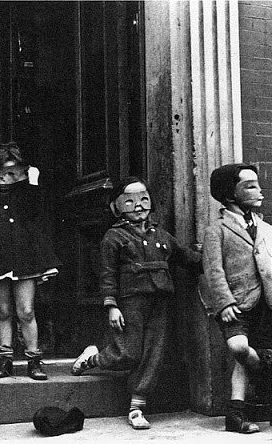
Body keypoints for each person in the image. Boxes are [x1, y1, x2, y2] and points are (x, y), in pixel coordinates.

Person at [71, 176, 202, 430]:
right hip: (131, 302)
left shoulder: (161, 236)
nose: (138, 206)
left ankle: (137, 407)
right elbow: (107, 274)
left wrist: (214, 259)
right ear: (117, 207)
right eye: (129, 201)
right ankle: (93, 359)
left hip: (160, 301)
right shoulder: (114, 237)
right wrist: (112, 306)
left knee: (153, 353)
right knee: (128, 353)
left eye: (143, 199)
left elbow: (186, 257)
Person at [202, 163, 272, 433]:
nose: (259, 190)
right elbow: (213, 270)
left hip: (263, 304)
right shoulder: (216, 230)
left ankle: (235, 415)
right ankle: (263, 376)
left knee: (248, 358)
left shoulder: (263, 227)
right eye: (250, 186)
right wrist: (224, 303)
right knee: (240, 349)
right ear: (230, 195)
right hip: (234, 304)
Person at [0, 143, 61, 380]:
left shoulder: (25, 192)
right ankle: (5, 359)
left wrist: (33, 182)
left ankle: (34, 360)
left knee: (26, 310)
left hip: (24, 256)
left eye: (10, 173)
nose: (4, 179)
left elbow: (34, 211)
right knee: (3, 310)